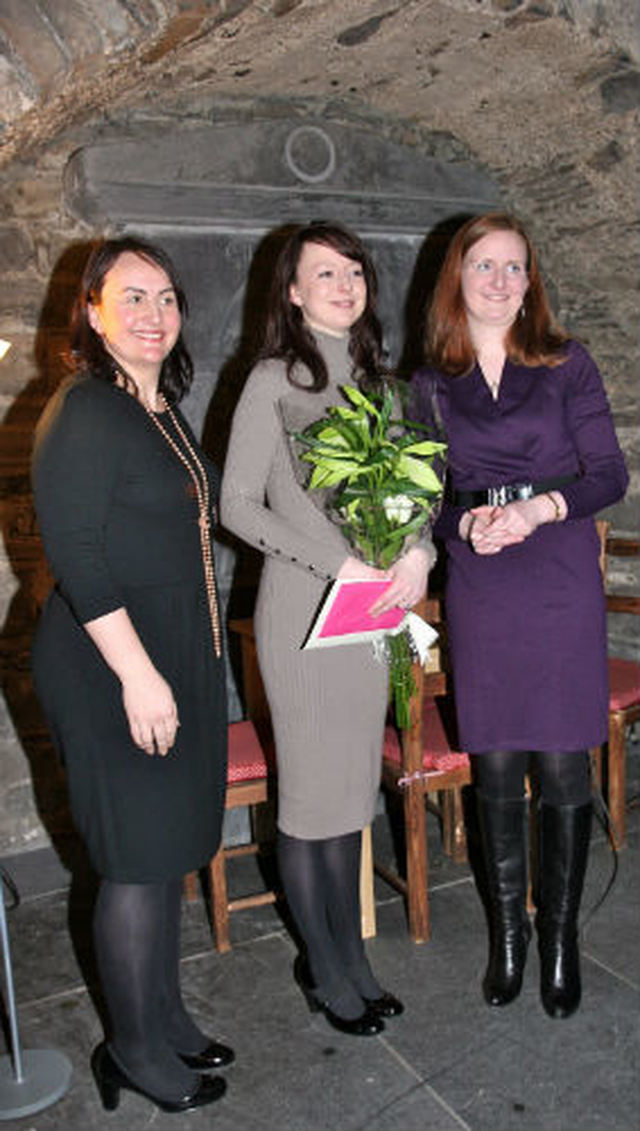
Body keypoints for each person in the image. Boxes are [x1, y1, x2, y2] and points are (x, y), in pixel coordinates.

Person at [410, 212, 628, 1019]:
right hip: (482, 578)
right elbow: (422, 498)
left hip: (558, 569)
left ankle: (561, 939)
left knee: (564, 767)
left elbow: (609, 473)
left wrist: (538, 510)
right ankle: (510, 937)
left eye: (515, 267)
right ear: (456, 278)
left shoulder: (567, 363)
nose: (500, 281)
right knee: (497, 765)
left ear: (531, 280)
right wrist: (459, 523)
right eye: (484, 266)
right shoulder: (431, 381)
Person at [32, 237, 233, 1113]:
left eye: (166, 297)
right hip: (113, 659)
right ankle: (135, 1051)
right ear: (93, 309)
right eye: (132, 296)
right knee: (135, 860)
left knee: (170, 852)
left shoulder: (159, 408)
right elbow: (77, 558)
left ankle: (167, 1016)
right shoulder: (84, 408)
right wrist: (140, 678)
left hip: (174, 652)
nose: (154, 314)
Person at [221, 221, 435, 1036]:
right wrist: (334, 563)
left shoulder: (385, 384)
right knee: (310, 803)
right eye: (325, 273)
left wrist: (414, 551)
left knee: (350, 797)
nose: (344, 284)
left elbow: (419, 491)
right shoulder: (273, 379)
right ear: (293, 291)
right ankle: (324, 965)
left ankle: (349, 959)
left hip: (373, 612)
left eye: (353, 271)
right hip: (304, 612)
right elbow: (237, 502)